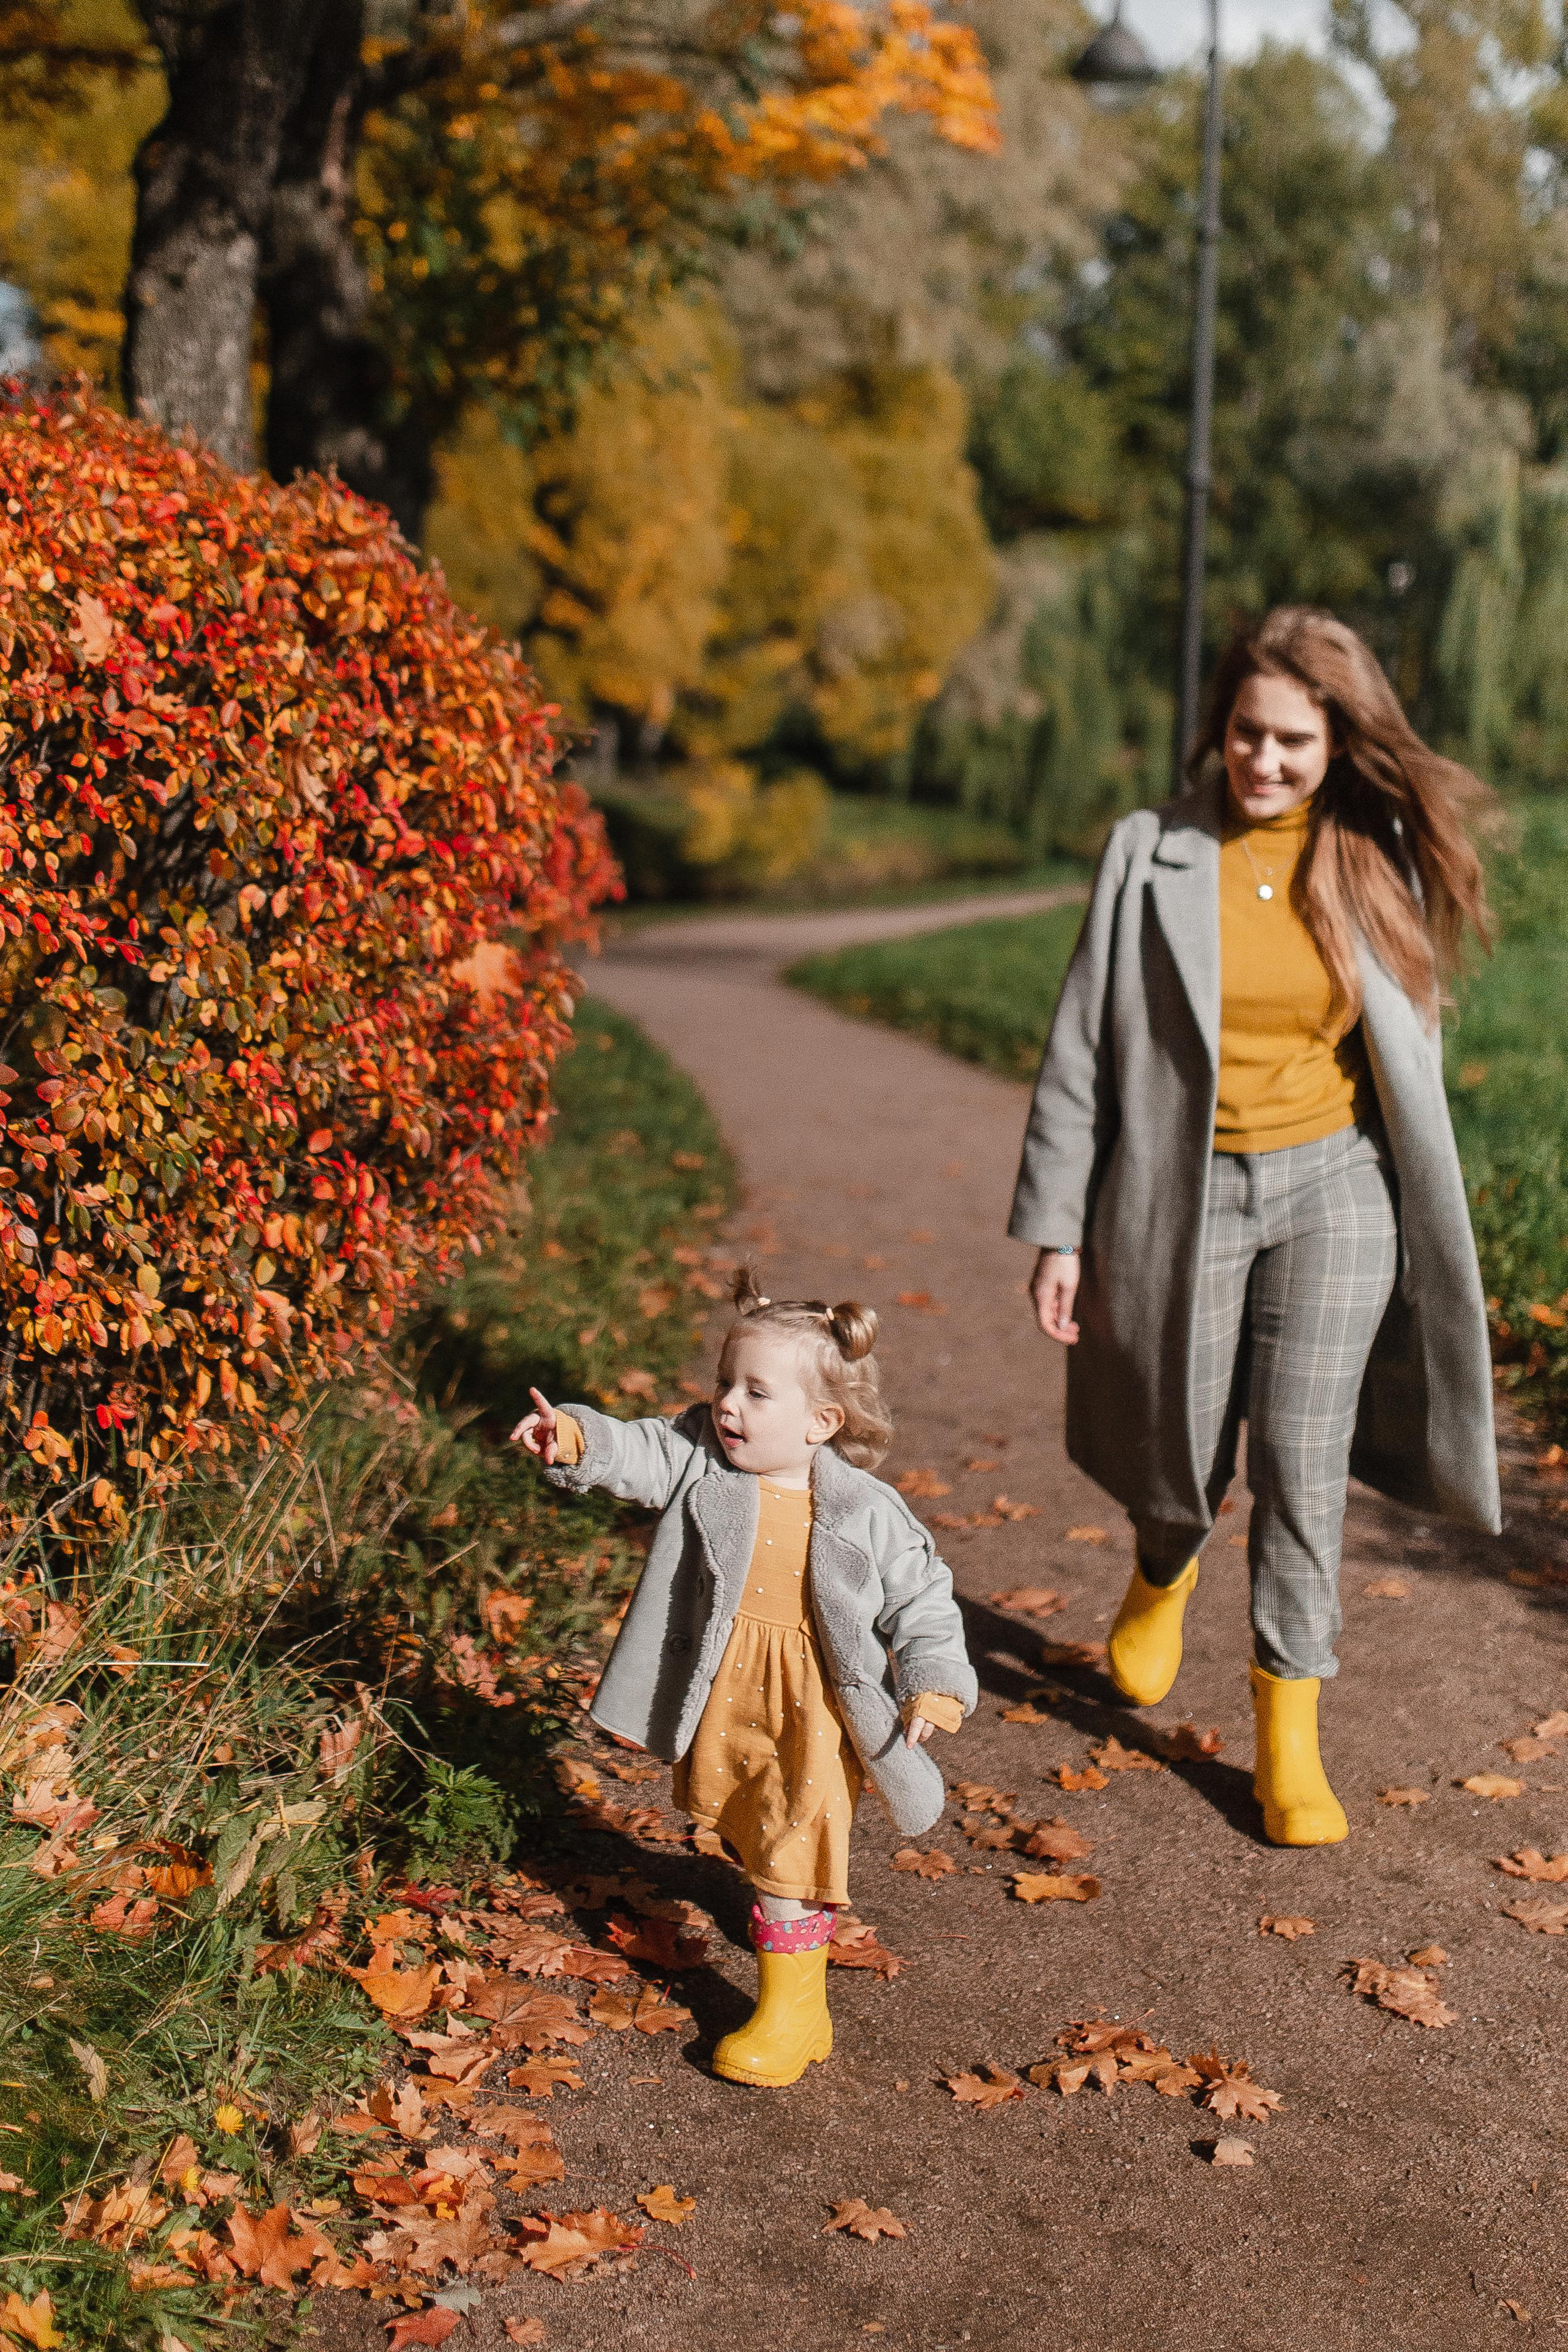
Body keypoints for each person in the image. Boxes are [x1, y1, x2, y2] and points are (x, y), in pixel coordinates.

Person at [1009, 606, 1500, 1847]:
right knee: (1176, 1449)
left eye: (1291, 741)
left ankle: (1288, 1739)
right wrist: (1057, 1227)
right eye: (1245, 733)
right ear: (1216, 726)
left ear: (1337, 744)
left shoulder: (1369, 853)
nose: (1264, 762)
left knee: (1297, 1464)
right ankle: (1162, 1561)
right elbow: (1078, 1047)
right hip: (1181, 1192)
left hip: (1334, 1189)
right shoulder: (1150, 851)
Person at [513, 1269, 976, 2086]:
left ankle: (791, 2014)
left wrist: (932, 1680)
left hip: (819, 1709)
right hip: (727, 1691)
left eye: (757, 1394)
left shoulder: (865, 1509)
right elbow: (641, 1450)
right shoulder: (703, 1461)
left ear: (821, 1422)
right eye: (726, 1383)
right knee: (751, 1825)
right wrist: (579, 1440)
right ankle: (802, 1987)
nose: (728, 1405)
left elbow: (924, 1596)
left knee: (791, 1846)